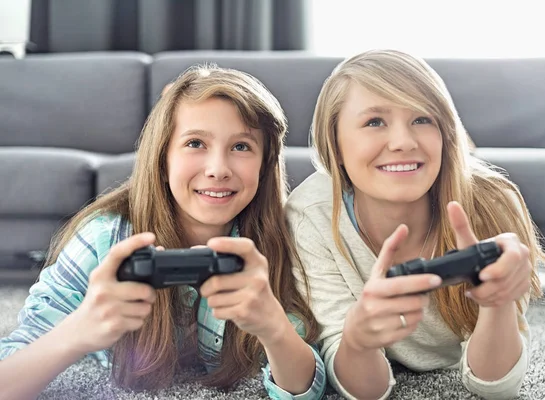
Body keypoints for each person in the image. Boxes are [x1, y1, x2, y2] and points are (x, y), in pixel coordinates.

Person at [0, 65, 326, 400]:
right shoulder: (105, 238)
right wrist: (79, 331)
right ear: (162, 157)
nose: (217, 169)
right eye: (195, 143)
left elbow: (306, 387)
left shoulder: (283, 243)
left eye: (241, 146)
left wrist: (274, 329)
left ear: (265, 164)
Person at [285, 49, 545, 400]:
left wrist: (497, 304)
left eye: (422, 119)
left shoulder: (494, 203)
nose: (403, 143)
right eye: (374, 122)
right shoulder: (311, 214)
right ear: (334, 144)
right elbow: (364, 391)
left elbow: (496, 388)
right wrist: (356, 341)